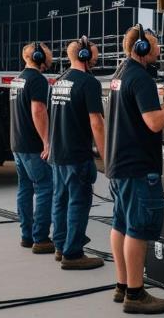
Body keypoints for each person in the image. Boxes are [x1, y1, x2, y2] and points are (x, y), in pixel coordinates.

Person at [105, 25, 164, 313]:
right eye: (154, 45)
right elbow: (154, 122)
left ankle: (122, 285)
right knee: (138, 230)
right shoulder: (140, 78)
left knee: (120, 224)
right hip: (138, 168)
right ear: (141, 49)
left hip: (118, 165)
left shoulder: (121, 74)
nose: (159, 50)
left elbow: (140, 111)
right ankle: (136, 294)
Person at [48, 37, 105, 270]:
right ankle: (73, 254)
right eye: (95, 53)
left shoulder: (60, 80)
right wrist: (106, 155)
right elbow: (97, 123)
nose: (97, 57)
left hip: (58, 153)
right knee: (78, 203)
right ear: (84, 56)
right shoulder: (88, 82)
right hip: (77, 154)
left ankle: (61, 247)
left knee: (60, 201)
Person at [9, 42, 55, 255]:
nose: (50, 57)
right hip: (32, 145)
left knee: (25, 189)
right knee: (45, 187)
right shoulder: (37, 80)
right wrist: (46, 141)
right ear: (38, 57)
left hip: (17, 143)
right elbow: (38, 111)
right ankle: (41, 238)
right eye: (47, 54)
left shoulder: (17, 80)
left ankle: (27, 236)